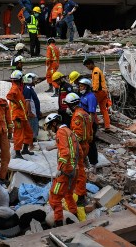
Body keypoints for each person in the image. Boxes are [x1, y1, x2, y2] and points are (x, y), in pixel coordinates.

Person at [44, 113, 82, 227]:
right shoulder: (70, 132)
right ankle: (74, 217)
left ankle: (59, 224)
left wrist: (60, 169)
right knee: (68, 194)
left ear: (54, 123)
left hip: (65, 172)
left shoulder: (60, 133)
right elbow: (80, 151)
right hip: (75, 170)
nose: (51, 130)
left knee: (54, 198)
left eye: (51, 127)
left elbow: (65, 153)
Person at [65, 93, 92, 222]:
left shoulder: (77, 116)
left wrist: (71, 146)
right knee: (80, 169)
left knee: (80, 171)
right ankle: (80, 191)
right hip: (86, 144)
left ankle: (81, 196)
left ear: (71, 104)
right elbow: (90, 131)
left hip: (80, 145)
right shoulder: (85, 113)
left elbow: (77, 135)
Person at [7, 70, 34, 159]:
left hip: (22, 116)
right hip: (17, 116)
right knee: (19, 135)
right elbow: (9, 96)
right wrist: (17, 103)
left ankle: (25, 149)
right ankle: (18, 153)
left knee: (28, 132)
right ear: (20, 79)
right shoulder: (14, 88)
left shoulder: (18, 88)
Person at [83, 58, 111, 132]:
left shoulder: (95, 71)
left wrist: (93, 91)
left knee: (92, 107)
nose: (87, 68)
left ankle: (94, 124)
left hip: (99, 92)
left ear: (91, 64)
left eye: (87, 66)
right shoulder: (97, 70)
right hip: (104, 92)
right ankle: (107, 126)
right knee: (103, 109)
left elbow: (96, 83)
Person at [78, 78, 99, 170]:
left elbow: (92, 113)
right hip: (84, 123)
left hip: (90, 123)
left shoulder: (91, 97)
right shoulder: (83, 96)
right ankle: (86, 162)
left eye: (82, 86)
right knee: (85, 142)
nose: (80, 88)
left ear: (86, 87)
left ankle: (94, 163)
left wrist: (89, 127)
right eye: (80, 86)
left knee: (91, 142)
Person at [23, 73, 41, 145]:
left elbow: (33, 101)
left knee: (33, 129)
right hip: (32, 114)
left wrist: (38, 111)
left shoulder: (29, 88)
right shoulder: (27, 89)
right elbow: (27, 101)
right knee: (31, 131)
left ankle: (31, 145)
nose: (35, 81)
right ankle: (31, 146)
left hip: (34, 112)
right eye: (33, 79)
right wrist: (29, 112)